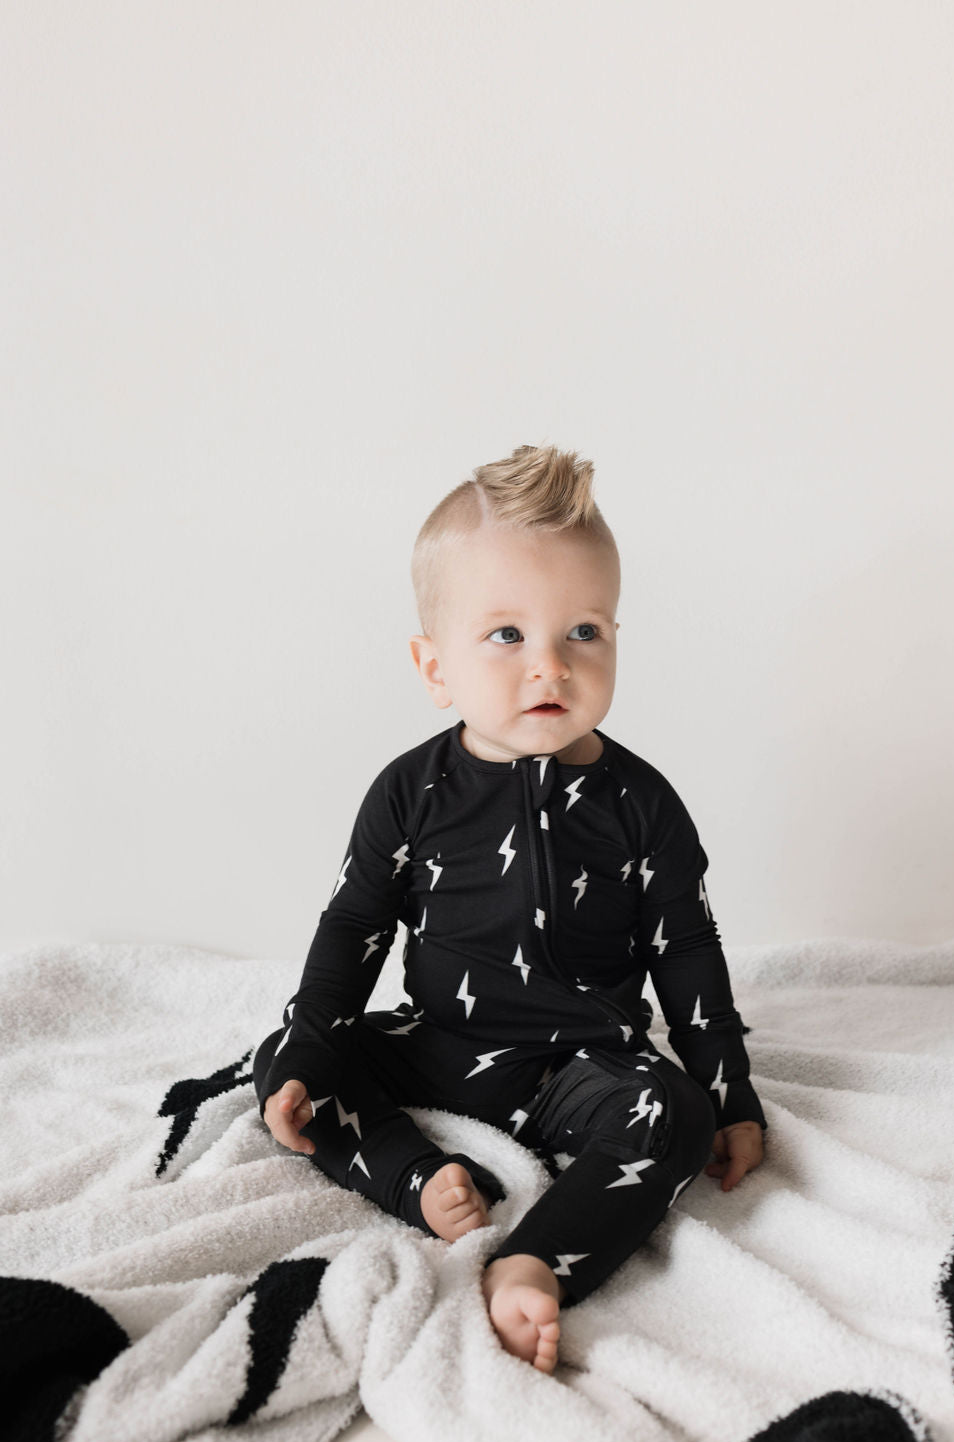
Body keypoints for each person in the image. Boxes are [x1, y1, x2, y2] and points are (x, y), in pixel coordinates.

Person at [253, 443, 766, 1373]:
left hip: (584, 1066)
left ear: (616, 637)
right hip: (442, 1044)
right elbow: (351, 932)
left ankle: (534, 1260)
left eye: (582, 632)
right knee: (294, 1063)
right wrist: (304, 1050)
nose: (550, 668)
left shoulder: (639, 802)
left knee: (676, 1114)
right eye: (506, 635)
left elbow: (686, 947)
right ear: (433, 664)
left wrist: (729, 1091)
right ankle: (418, 1177)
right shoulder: (411, 793)